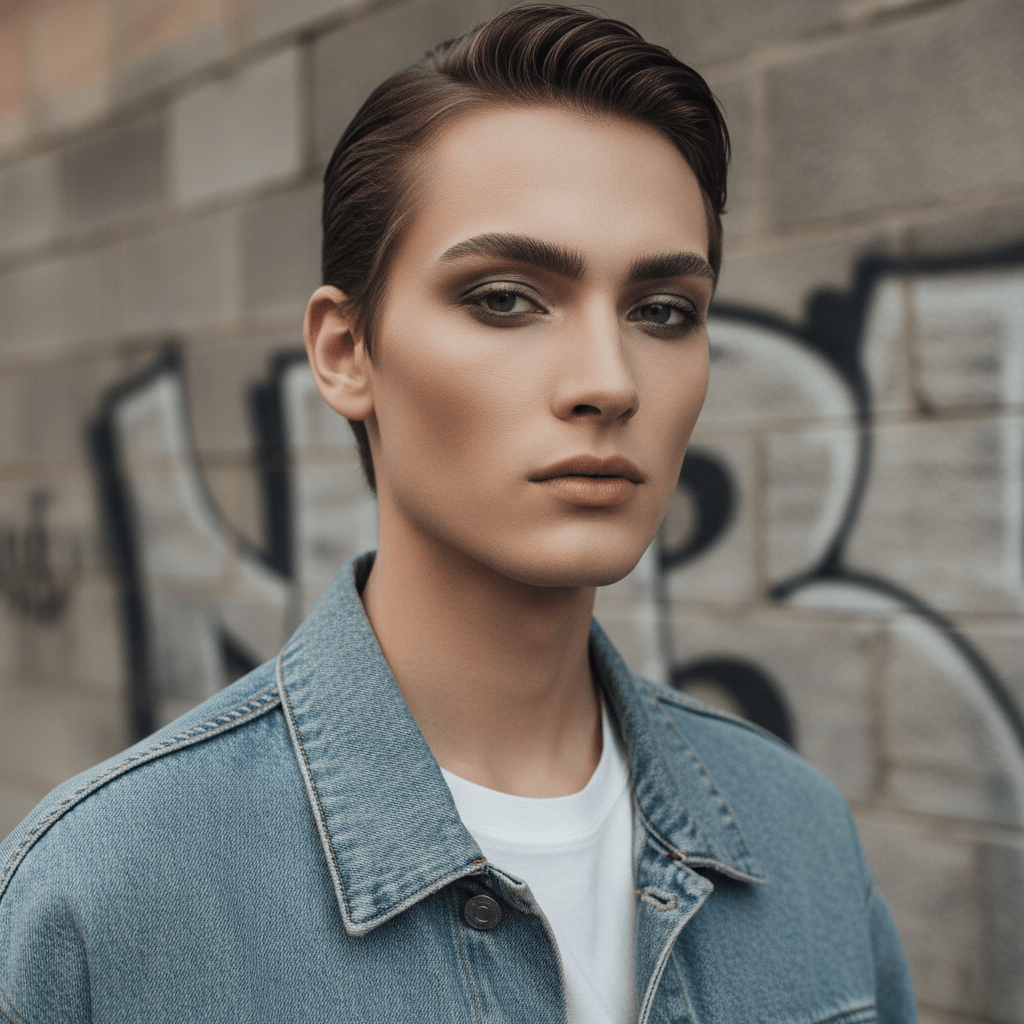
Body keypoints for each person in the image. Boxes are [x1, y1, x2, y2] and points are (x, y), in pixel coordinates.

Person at [0, 5, 916, 1022]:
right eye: (503, 298)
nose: (607, 382)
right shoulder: (103, 896)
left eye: (662, 311)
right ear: (347, 351)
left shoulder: (801, 835)